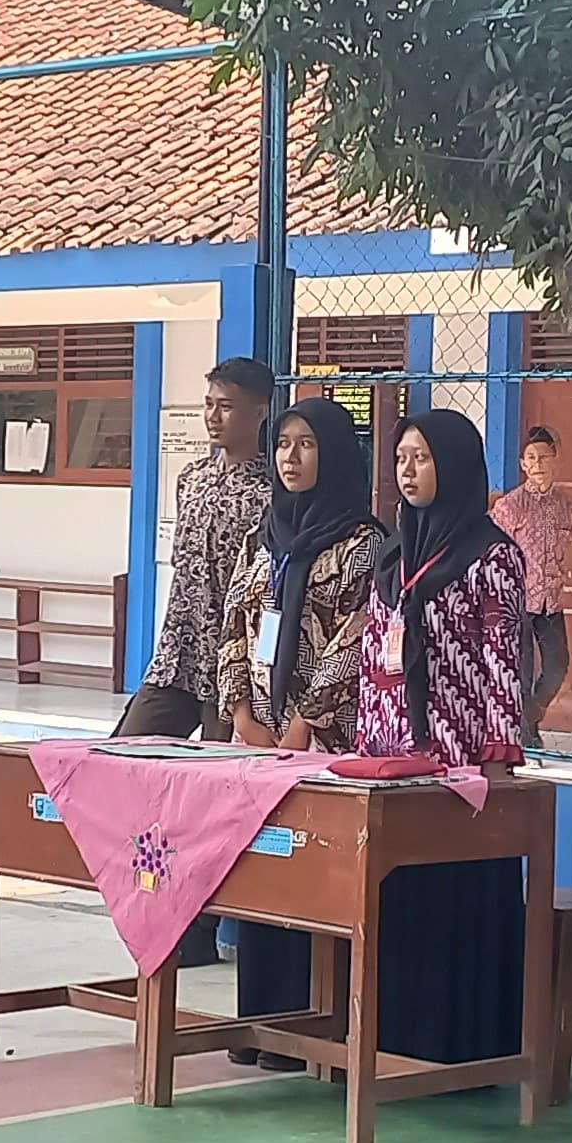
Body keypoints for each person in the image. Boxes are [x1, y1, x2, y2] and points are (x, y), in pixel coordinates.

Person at [355, 409, 534, 1067]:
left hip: (458, 767)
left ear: (454, 466)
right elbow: (373, 653)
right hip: (389, 757)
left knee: (454, 899)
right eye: (401, 458)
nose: (408, 471)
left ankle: (460, 1048)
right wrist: (365, 740)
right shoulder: (392, 554)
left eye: (422, 458)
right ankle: (395, 1041)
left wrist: (498, 753)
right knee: (399, 897)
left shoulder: (492, 555)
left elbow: (503, 658)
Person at [214, 398, 389, 1067]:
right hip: (258, 735)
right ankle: (260, 1027)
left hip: (323, 741)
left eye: (307, 444)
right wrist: (240, 711)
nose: (291, 457)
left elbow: (356, 638)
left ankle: (309, 1036)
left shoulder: (363, 544)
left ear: (335, 454)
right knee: (263, 876)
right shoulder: (265, 534)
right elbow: (234, 621)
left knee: (312, 879)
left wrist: (302, 722)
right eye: (284, 443)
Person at [116, 356, 277, 739]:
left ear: (259, 412)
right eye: (209, 404)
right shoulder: (191, 479)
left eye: (226, 406)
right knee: (124, 750)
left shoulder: (271, 493)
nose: (213, 417)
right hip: (177, 657)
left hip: (233, 668)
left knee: (215, 768)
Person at [489, 423, 572, 746]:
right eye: (531, 458)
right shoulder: (509, 506)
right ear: (523, 465)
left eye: (544, 457)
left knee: (557, 666)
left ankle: (528, 718)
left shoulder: (568, 505)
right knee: (521, 670)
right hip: (518, 601)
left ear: (555, 460)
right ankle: (526, 736)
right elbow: (494, 552)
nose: (538, 464)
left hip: (551, 601)